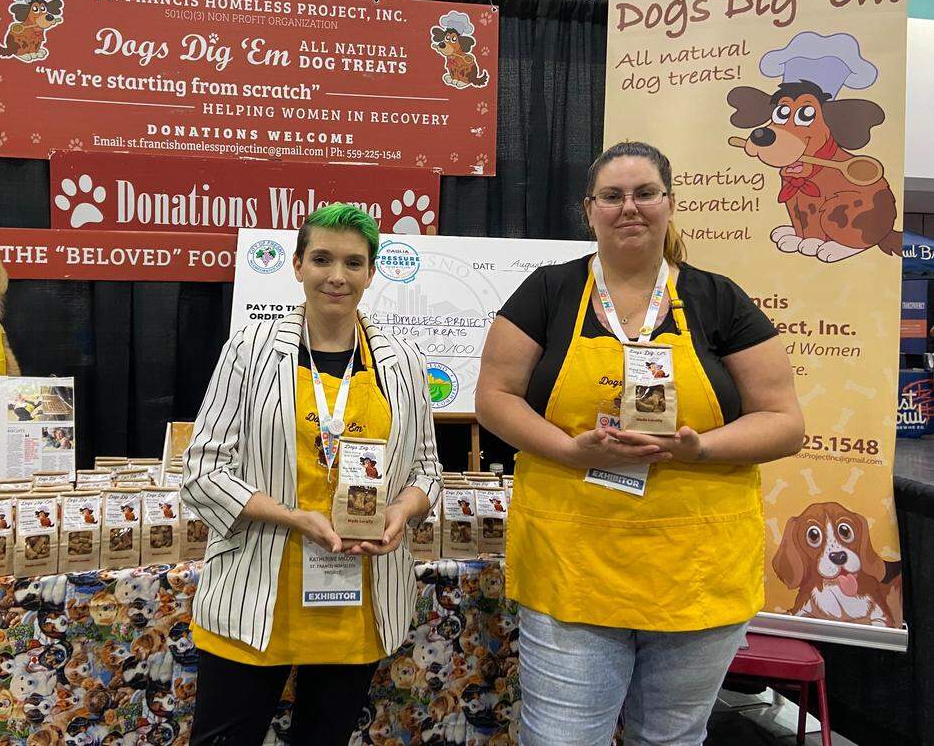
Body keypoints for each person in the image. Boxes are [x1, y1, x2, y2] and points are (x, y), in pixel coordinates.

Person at [476, 141, 804, 746]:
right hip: (571, 568)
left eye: (645, 193)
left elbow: (784, 421)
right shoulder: (548, 292)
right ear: (589, 209)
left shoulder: (718, 299)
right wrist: (569, 451)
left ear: (669, 203)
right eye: (613, 196)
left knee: (671, 740)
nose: (629, 207)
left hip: (695, 574)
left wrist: (700, 449)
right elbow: (495, 398)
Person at [184, 203, 441, 746]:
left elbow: (426, 469)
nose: (337, 276)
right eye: (322, 259)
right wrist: (294, 517)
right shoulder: (250, 351)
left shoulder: (403, 360)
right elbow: (203, 471)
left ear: (371, 272)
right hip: (256, 595)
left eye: (353, 262)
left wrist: (402, 510)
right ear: (298, 265)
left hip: (358, 598)